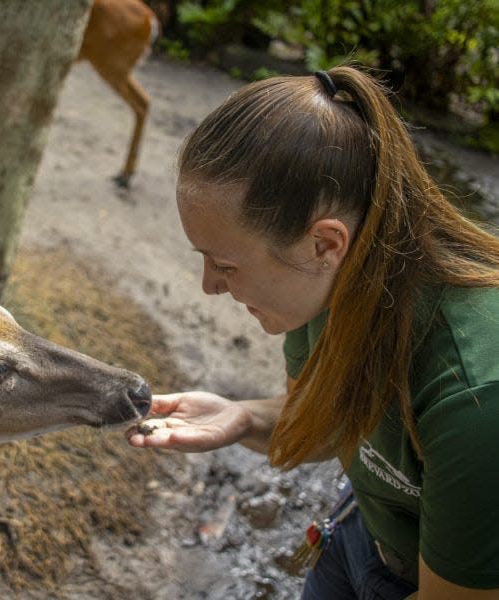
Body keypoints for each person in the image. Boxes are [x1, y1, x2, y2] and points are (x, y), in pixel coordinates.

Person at [126, 65, 499, 599]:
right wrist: (242, 417)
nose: (208, 286)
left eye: (225, 265)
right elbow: (329, 423)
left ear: (325, 244)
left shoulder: (476, 399)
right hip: (361, 534)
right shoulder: (329, 289)